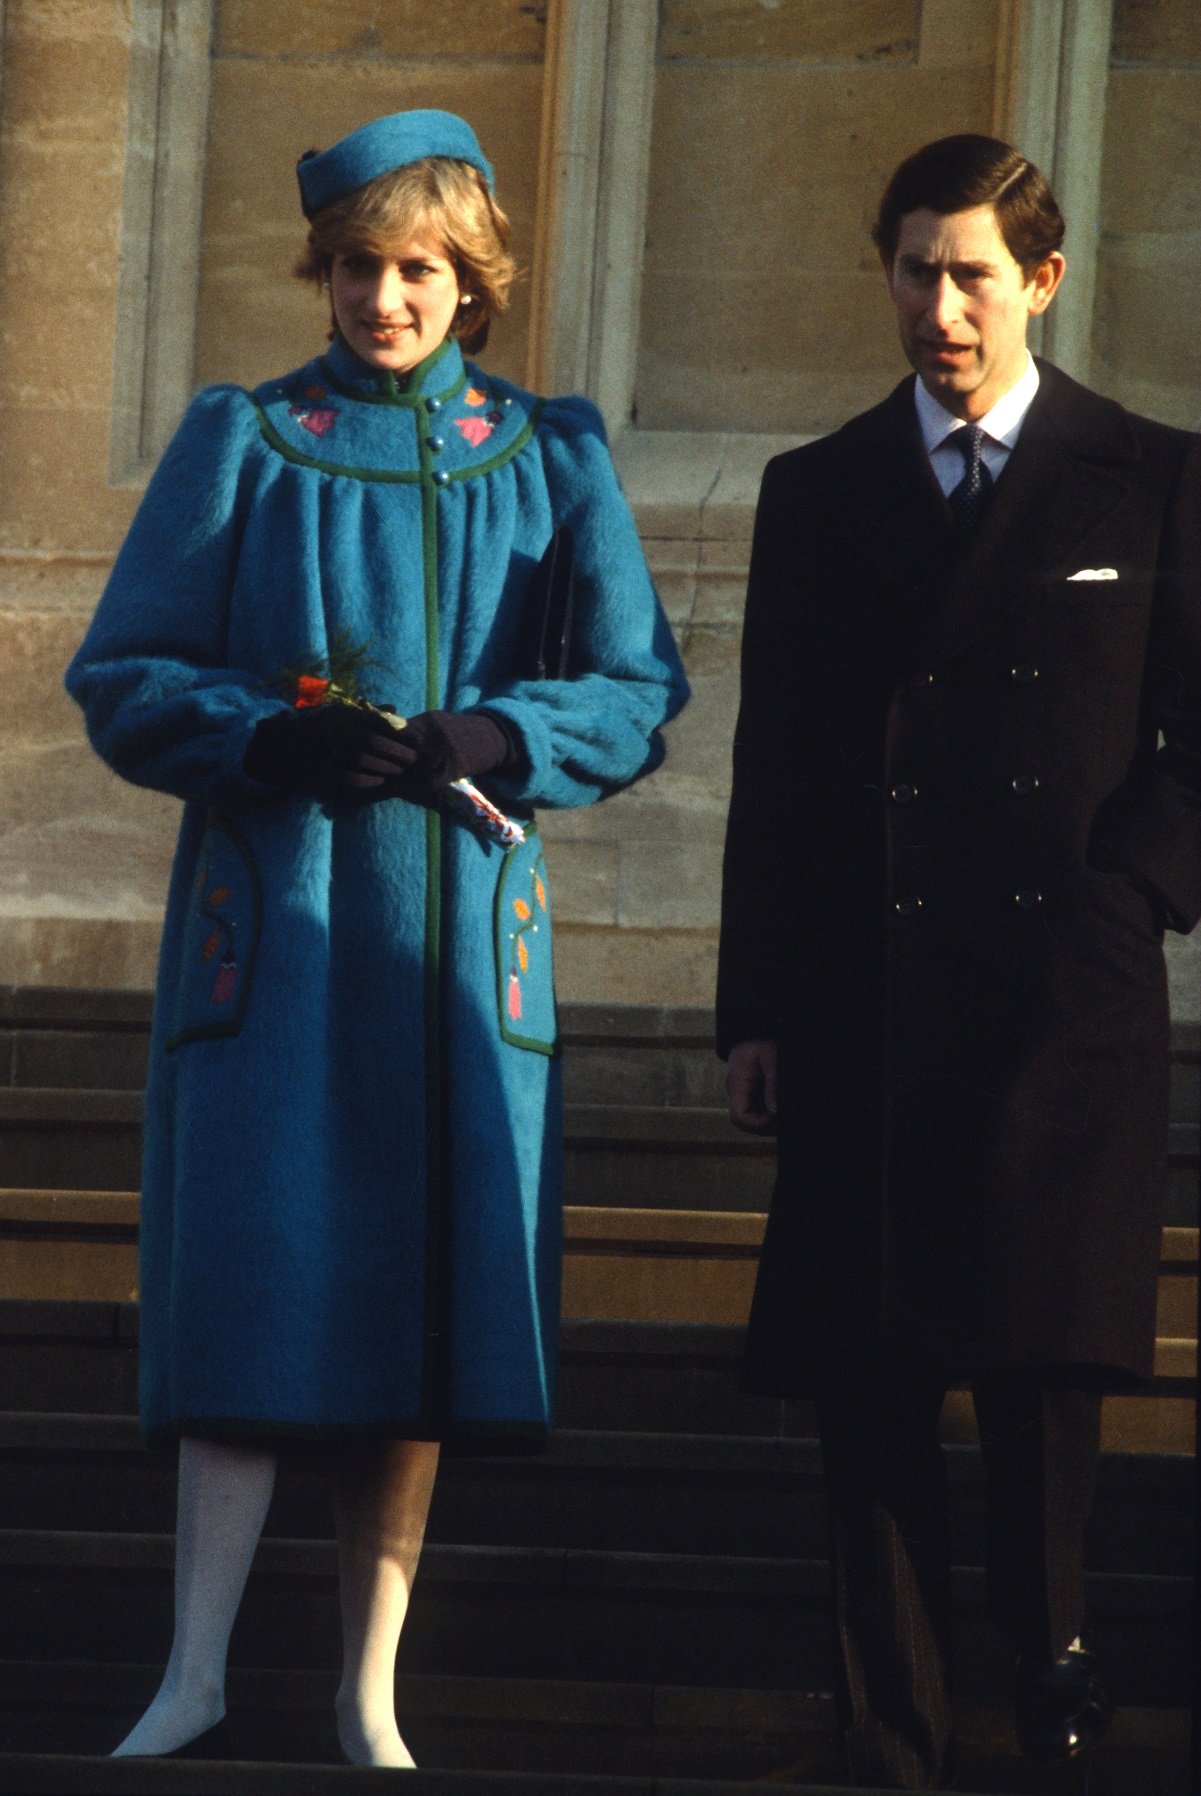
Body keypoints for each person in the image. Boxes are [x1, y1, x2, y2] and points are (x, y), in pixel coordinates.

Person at [67, 108, 687, 1767]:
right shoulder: (247, 439)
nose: (383, 297)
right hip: (275, 938)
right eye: (355, 266)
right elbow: (124, 674)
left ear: (469, 277)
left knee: (419, 1307)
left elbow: (635, 687)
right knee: (251, 1285)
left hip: (453, 950)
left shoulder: (546, 454)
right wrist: (267, 737)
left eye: (416, 268)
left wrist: (499, 735)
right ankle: (193, 1673)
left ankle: (368, 1694)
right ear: (322, 271)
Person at [717, 133, 1201, 1791]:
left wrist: (1128, 894)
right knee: (868, 1383)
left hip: (1064, 996)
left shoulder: (1150, 474)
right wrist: (754, 1011)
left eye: (973, 275)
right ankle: (890, 1734)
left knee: (1036, 1364)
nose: (941, 308)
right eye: (915, 271)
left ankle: (1048, 1660)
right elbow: (776, 771)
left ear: (1040, 282)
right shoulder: (815, 489)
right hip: (865, 993)